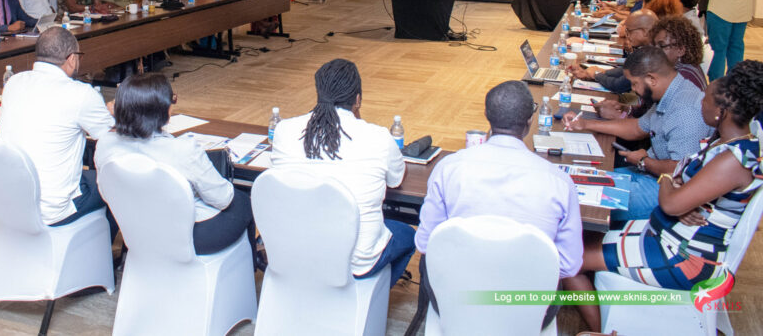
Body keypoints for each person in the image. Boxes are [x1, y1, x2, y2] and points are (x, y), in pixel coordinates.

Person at [564, 60, 763, 333]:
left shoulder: (732, 160)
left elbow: (669, 202)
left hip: (683, 257)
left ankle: (602, 330)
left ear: (721, 111)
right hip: (671, 235)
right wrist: (678, 188)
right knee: (580, 240)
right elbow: (680, 192)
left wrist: (669, 179)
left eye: (705, 99)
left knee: (568, 259)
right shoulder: (732, 144)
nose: (700, 103)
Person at [416, 80, 582, 329]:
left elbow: (425, 243)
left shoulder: (449, 168)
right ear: (529, 121)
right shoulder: (559, 182)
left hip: (455, 302)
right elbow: (569, 265)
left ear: (487, 116)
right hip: (528, 311)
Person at [271, 59, 413, 286]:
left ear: (319, 93)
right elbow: (396, 180)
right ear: (358, 100)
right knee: (408, 235)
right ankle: (370, 293)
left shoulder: (284, 130)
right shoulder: (378, 137)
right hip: (357, 262)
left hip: (294, 250)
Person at [95, 73, 259, 260]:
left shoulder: (105, 143)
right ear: (163, 110)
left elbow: (106, 192)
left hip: (136, 233)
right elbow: (223, 199)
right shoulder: (183, 150)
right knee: (242, 200)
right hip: (188, 237)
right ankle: (249, 264)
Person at [563, 46, 712, 221]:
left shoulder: (685, 110)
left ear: (651, 79)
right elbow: (636, 128)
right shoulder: (670, 93)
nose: (633, 90)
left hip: (667, 189)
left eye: (635, 83)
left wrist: (643, 161)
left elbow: (679, 170)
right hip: (649, 173)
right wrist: (585, 124)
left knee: (578, 202)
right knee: (574, 182)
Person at [0, 27, 115, 227]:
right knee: (116, 183)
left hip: (7, 199)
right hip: (53, 209)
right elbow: (110, 137)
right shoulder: (81, 93)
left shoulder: (14, 82)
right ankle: (104, 245)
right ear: (71, 59)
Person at [570, 10, 658, 94]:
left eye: (629, 31)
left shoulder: (651, 56)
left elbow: (619, 85)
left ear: (645, 32)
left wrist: (596, 75)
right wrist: (598, 72)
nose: (627, 36)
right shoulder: (646, 49)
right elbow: (626, 70)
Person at [651, 15, 706, 91]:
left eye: (661, 46)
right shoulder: (685, 68)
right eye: (654, 45)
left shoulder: (684, 76)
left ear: (680, 50)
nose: (655, 51)